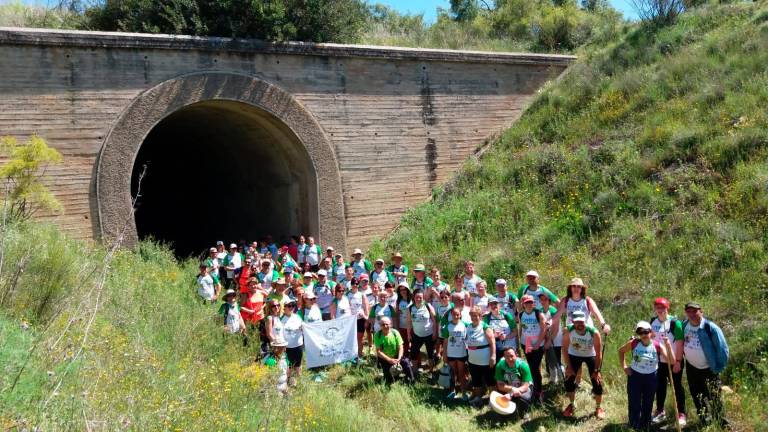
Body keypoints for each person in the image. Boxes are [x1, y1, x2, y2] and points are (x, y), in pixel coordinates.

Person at [619, 321, 675, 430]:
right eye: (640, 332)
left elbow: (672, 361)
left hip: (651, 377)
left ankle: (646, 425)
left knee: (648, 401)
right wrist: (625, 367)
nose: (644, 335)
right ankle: (634, 424)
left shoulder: (657, 345)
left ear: (651, 332)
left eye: (646, 332)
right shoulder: (634, 343)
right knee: (634, 401)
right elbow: (621, 351)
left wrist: (668, 345)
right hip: (635, 376)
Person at [682, 302, 729, 428]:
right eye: (689, 311)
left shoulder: (710, 328)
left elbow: (722, 349)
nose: (692, 314)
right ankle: (704, 421)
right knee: (697, 395)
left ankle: (722, 424)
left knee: (714, 396)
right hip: (691, 367)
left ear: (701, 311)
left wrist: (717, 367)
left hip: (708, 369)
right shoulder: (684, 325)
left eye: (694, 311)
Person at [649, 297, 687, 426]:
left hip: (673, 361)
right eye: (658, 308)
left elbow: (681, 343)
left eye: (663, 308)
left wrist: (677, 362)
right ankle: (660, 411)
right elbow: (651, 339)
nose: (660, 310)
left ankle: (681, 413)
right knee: (659, 386)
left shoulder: (675, 323)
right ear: (655, 309)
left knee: (677, 386)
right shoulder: (653, 322)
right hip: (658, 361)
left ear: (667, 308)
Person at [561, 311, 605, 420]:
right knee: (568, 381)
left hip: (590, 355)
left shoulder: (593, 333)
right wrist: (569, 367)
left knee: (597, 382)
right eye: (577, 322)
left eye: (582, 321)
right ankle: (572, 404)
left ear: (585, 320)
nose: (580, 324)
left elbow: (599, 353)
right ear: (572, 321)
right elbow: (565, 349)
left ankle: (598, 408)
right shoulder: (568, 330)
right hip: (574, 354)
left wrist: (596, 370)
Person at [518, 294, 548, 402]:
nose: (529, 304)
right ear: (523, 304)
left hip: (537, 345)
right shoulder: (521, 314)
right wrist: (520, 342)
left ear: (533, 303)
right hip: (526, 343)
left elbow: (544, 329)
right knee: (531, 367)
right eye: (527, 302)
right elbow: (521, 328)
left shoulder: (538, 314)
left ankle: (538, 391)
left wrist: (538, 343)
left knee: (535, 368)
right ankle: (534, 388)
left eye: (530, 302)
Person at [466, 306, 496, 407]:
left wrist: (493, 356)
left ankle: (493, 401)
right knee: (476, 380)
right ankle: (478, 398)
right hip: (473, 360)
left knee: (490, 380)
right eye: (472, 315)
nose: (473, 317)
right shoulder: (469, 326)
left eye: (475, 315)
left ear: (480, 316)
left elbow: (492, 343)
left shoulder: (485, 327)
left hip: (485, 360)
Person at [374, 316, 415, 384]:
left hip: (397, 356)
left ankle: (411, 380)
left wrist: (399, 358)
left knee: (406, 363)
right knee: (389, 381)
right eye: (383, 324)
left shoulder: (395, 332)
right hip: (386, 359)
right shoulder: (377, 335)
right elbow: (378, 352)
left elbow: (401, 347)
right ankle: (392, 377)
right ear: (380, 325)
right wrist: (389, 360)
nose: (385, 326)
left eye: (387, 324)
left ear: (390, 324)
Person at [495, 347, 534, 417]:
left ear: (516, 355)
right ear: (504, 357)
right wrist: (512, 390)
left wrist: (511, 394)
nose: (510, 359)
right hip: (509, 388)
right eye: (507, 357)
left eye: (512, 356)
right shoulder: (500, 366)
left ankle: (525, 413)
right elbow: (500, 385)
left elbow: (525, 386)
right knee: (498, 394)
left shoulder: (523, 365)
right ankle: (505, 412)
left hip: (523, 388)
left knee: (524, 397)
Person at [442, 307, 470, 400]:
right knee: (452, 373)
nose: (456, 316)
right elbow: (445, 342)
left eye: (458, 314)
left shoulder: (465, 325)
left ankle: (463, 392)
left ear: (460, 315)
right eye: (454, 314)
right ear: (451, 315)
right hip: (451, 354)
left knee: (461, 373)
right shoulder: (448, 326)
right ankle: (452, 391)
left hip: (461, 353)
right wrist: (444, 355)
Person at [407, 289, 437, 372]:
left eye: (420, 297)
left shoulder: (428, 306)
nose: (418, 299)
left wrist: (435, 332)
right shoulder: (410, 308)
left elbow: (434, 320)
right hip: (417, 335)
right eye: (417, 297)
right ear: (414, 297)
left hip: (429, 334)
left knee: (430, 354)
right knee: (414, 353)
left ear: (423, 297)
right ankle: (414, 370)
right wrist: (408, 334)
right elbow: (409, 322)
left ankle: (431, 371)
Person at [539, 293, 563, 384]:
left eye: (545, 299)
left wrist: (549, 341)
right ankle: (553, 379)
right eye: (541, 299)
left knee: (557, 358)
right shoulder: (540, 311)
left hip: (555, 339)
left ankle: (561, 378)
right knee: (549, 359)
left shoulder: (553, 310)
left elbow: (556, 329)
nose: (543, 301)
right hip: (546, 339)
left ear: (549, 301)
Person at [281, 300, 304, 384]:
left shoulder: (297, 317)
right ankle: (288, 382)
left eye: (293, 306)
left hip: (298, 345)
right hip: (287, 347)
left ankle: (299, 382)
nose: (291, 308)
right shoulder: (281, 319)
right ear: (284, 307)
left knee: (298, 365)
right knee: (289, 366)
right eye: (289, 306)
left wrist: (302, 328)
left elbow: (303, 327)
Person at [346, 277, 370, 358]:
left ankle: (359, 354)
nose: (355, 285)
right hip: (351, 320)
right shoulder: (347, 294)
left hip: (360, 319)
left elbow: (366, 306)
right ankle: (352, 355)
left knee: (360, 338)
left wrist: (366, 318)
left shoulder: (361, 294)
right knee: (352, 338)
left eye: (356, 284)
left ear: (358, 284)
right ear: (351, 284)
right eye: (353, 283)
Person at [395, 282, 413, 355]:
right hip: (402, 325)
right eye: (401, 290)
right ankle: (405, 358)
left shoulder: (412, 299)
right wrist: (397, 326)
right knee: (404, 342)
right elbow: (397, 314)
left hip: (412, 326)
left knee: (413, 343)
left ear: (408, 290)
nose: (403, 291)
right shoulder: (398, 301)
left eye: (404, 289)